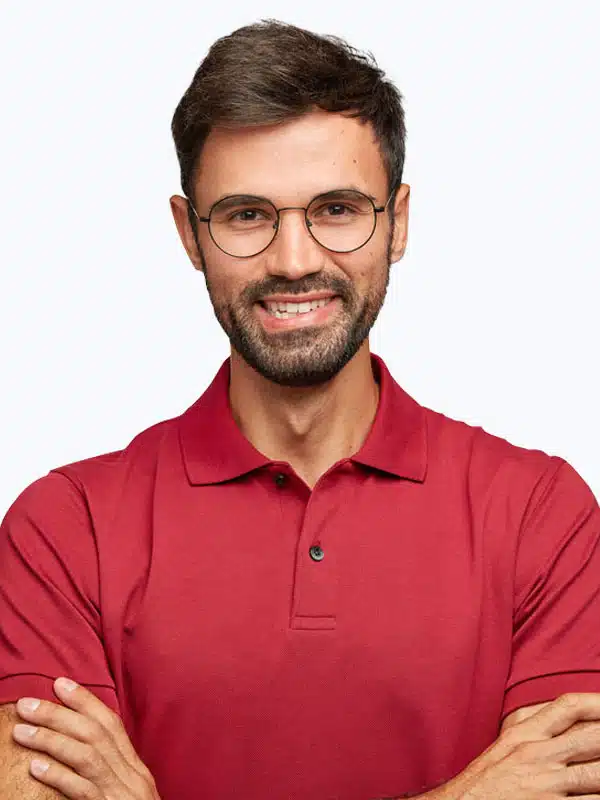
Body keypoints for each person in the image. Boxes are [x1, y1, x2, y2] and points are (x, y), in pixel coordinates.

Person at [1, 18, 600, 800]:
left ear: (399, 221)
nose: (294, 261)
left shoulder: (541, 515)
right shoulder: (65, 528)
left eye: (338, 210)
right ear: (190, 234)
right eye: (247, 215)